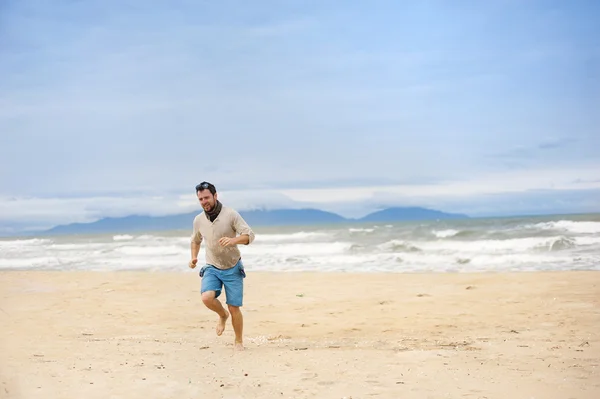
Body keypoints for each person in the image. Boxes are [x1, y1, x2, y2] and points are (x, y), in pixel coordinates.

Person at [188, 181, 255, 351]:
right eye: (201, 199)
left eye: (207, 197)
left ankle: (238, 341)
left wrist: (233, 240)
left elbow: (249, 235)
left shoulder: (230, 214)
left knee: (234, 307)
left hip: (233, 266)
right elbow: (195, 240)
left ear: (215, 196)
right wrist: (194, 258)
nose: (204, 201)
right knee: (206, 297)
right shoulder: (198, 220)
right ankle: (221, 314)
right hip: (212, 266)